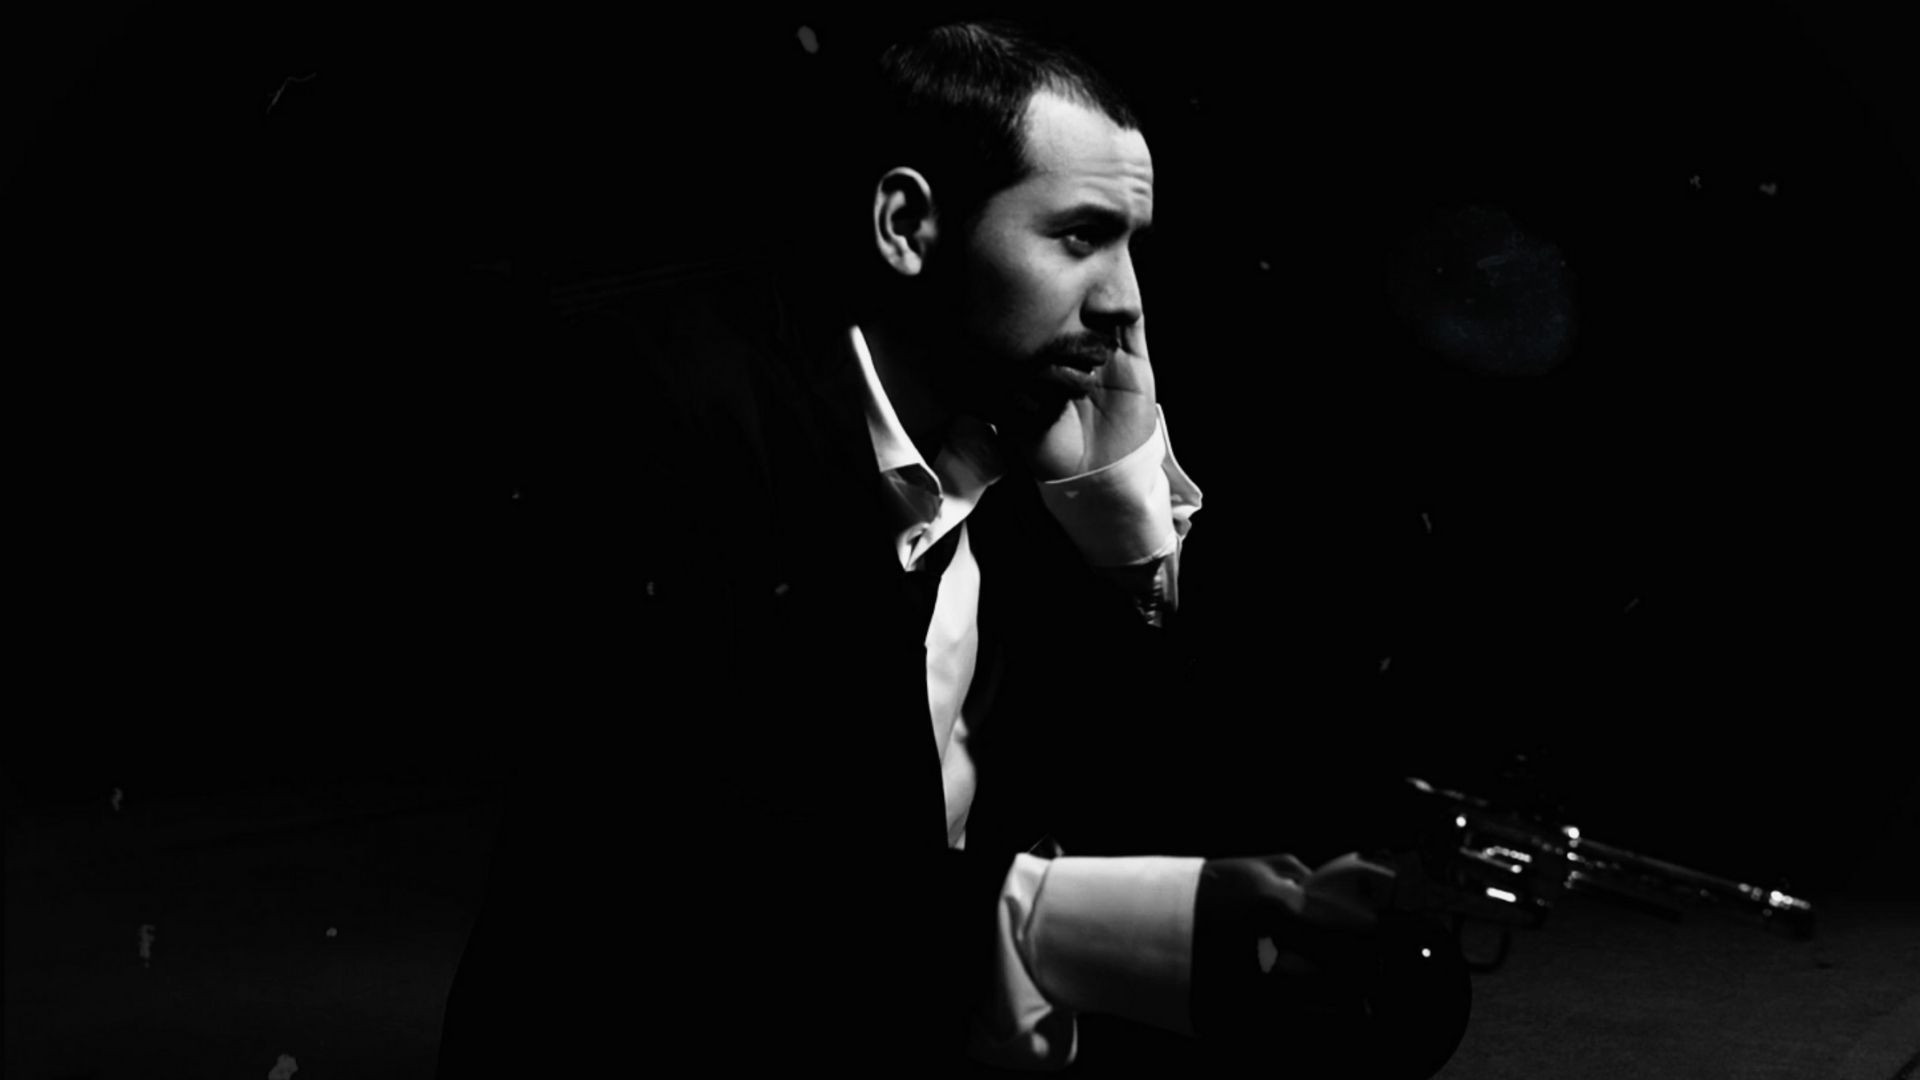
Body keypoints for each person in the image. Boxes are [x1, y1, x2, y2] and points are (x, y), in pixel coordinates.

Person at [434, 19, 1435, 1078]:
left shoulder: (1021, 433)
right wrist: (1090, 921)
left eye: (1131, 245)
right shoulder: (666, 415)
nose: (1125, 303)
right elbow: (695, 861)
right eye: (1079, 237)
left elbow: (1160, 795)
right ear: (907, 226)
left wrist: (1120, 517)